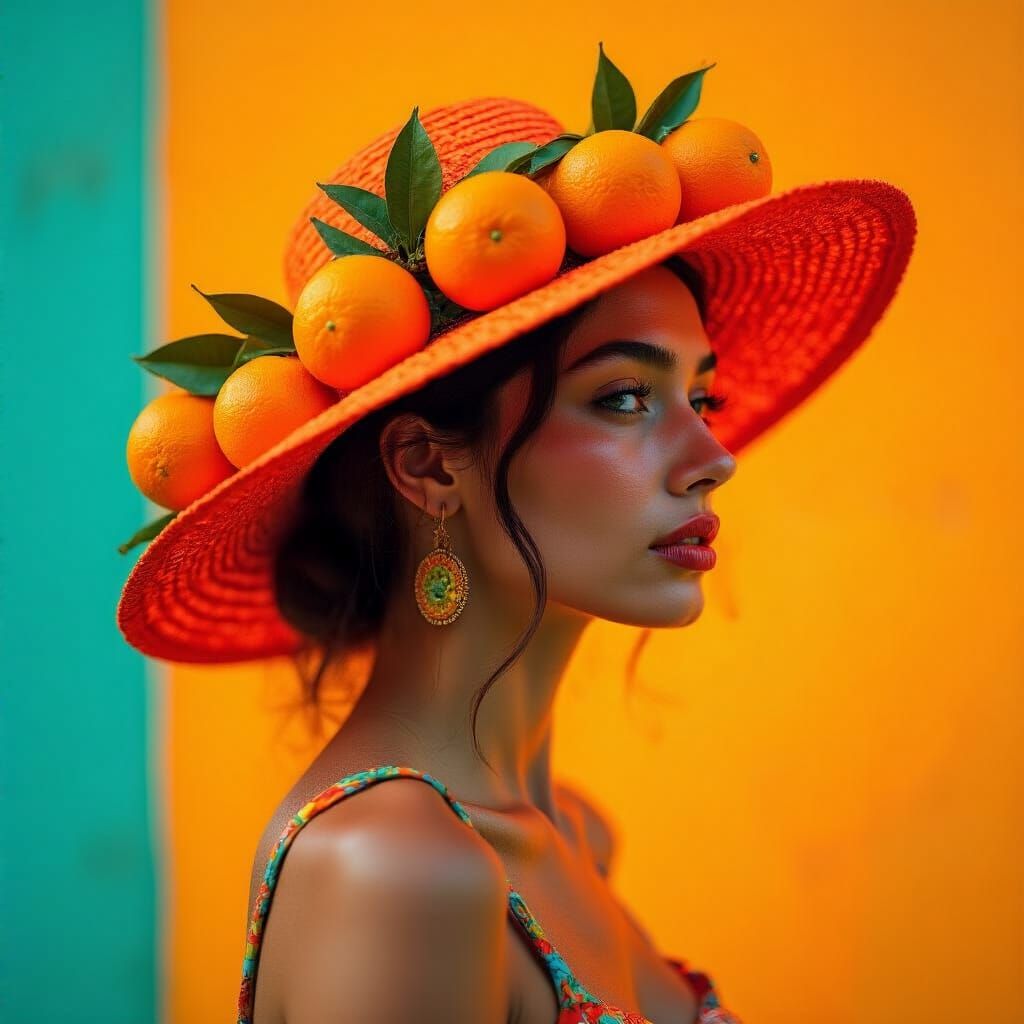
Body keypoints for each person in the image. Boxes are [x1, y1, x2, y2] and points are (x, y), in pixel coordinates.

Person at [116, 90, 917, 1024]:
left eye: (703, 400)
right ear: (427, 466)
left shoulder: (570, 834)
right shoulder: (398, 873)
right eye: (623, 397)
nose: (712, 458)